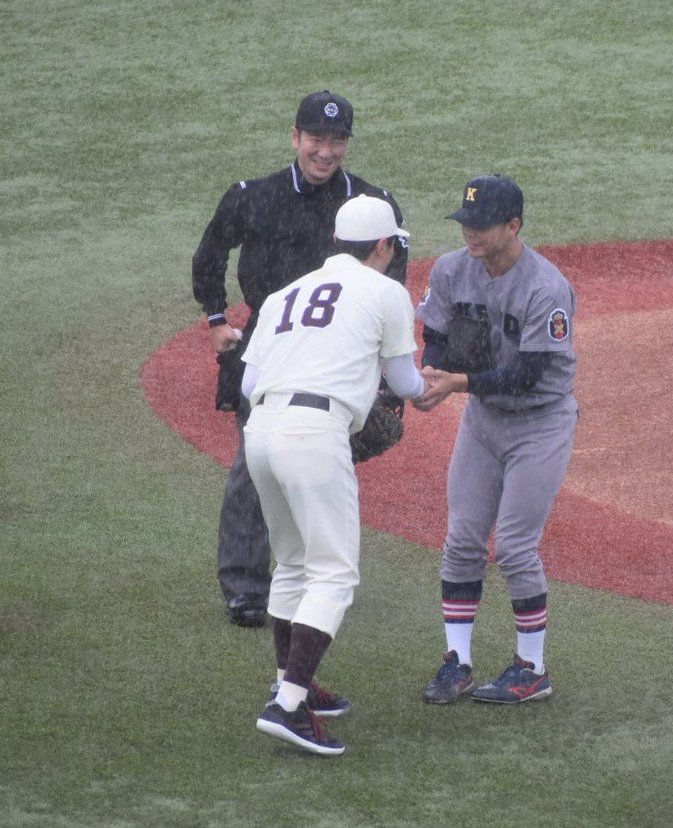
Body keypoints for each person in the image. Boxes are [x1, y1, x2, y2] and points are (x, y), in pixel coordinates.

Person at [191, 91, 408, 627]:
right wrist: (216, 318)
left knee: (314, 459)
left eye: (337, 140)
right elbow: (209, 255)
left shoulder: (370, 205)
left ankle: (313, 570)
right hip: (269, 351)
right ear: (295, 137)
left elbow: (391, 283)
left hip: (339, 360)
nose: (325, 151)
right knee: (253, 466)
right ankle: (247, 587)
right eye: (316, 138)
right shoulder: (253, 196)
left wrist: (380, 374)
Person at [243, 195, 427, 755]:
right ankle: (286, 706)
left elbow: (248, 385)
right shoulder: (386, 292)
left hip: (260, 432)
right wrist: (430, 388)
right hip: (315, 434)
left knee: (293, 563)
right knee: (334, 574)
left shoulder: (284, 294)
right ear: (384, 245)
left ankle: (291, 686)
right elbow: (406, 383)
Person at [413, 174, 578, 705]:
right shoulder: (451, 269)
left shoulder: (545, 288)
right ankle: (457, 661)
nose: (471, 232)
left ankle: (532, 668)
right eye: (466, 221)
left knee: (513, 545)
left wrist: (456, 383)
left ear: (513, 226)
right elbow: (435, 333)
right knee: (462, 539)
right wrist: (431, 372)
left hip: (540, 422)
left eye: (482, 224)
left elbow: (528, 375)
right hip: (484, 420)